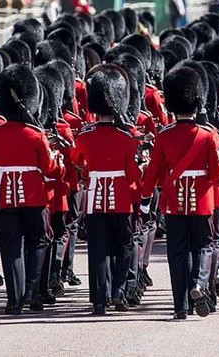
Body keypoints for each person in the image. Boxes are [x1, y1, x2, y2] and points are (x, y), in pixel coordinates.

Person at [0, 64, 64, 314]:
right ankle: (33, 292)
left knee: (12, 246)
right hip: (34, 195)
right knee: (39, 240)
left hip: (4, 197)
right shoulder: (36, 135)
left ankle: (14, 300)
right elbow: (50, 169)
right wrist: (60, 162)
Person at [140, 66, 219, 320]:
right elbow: (217, 171)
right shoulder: (208, 135)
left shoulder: (164, 136)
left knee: (177, 253)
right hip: (201, 200)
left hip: (174, 201)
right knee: (204, 245)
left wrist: (143, 196)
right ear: (198, 101)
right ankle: (198, 284)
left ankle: (180, 307)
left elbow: (153, 172)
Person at [71, 65, 141, 315]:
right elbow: (133, 173)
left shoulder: (85, 135)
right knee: (123, 246)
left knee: (99, 250)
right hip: (121, 198)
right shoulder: (127, 138)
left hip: (94, 199)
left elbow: (76, 160)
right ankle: (119, 292)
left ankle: (99, 300)